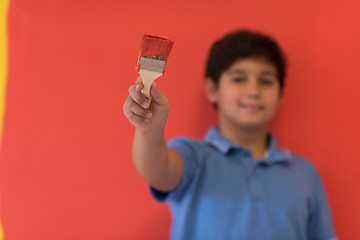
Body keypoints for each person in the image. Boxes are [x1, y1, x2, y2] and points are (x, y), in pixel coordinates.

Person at [123, 30, 337, 240]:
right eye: (238, 79)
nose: (254, 91)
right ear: (212, 89)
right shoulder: (193, 157)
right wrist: (149, 130)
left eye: (266, 81)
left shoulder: (305, 174)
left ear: (281, 93)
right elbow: (157, 171)